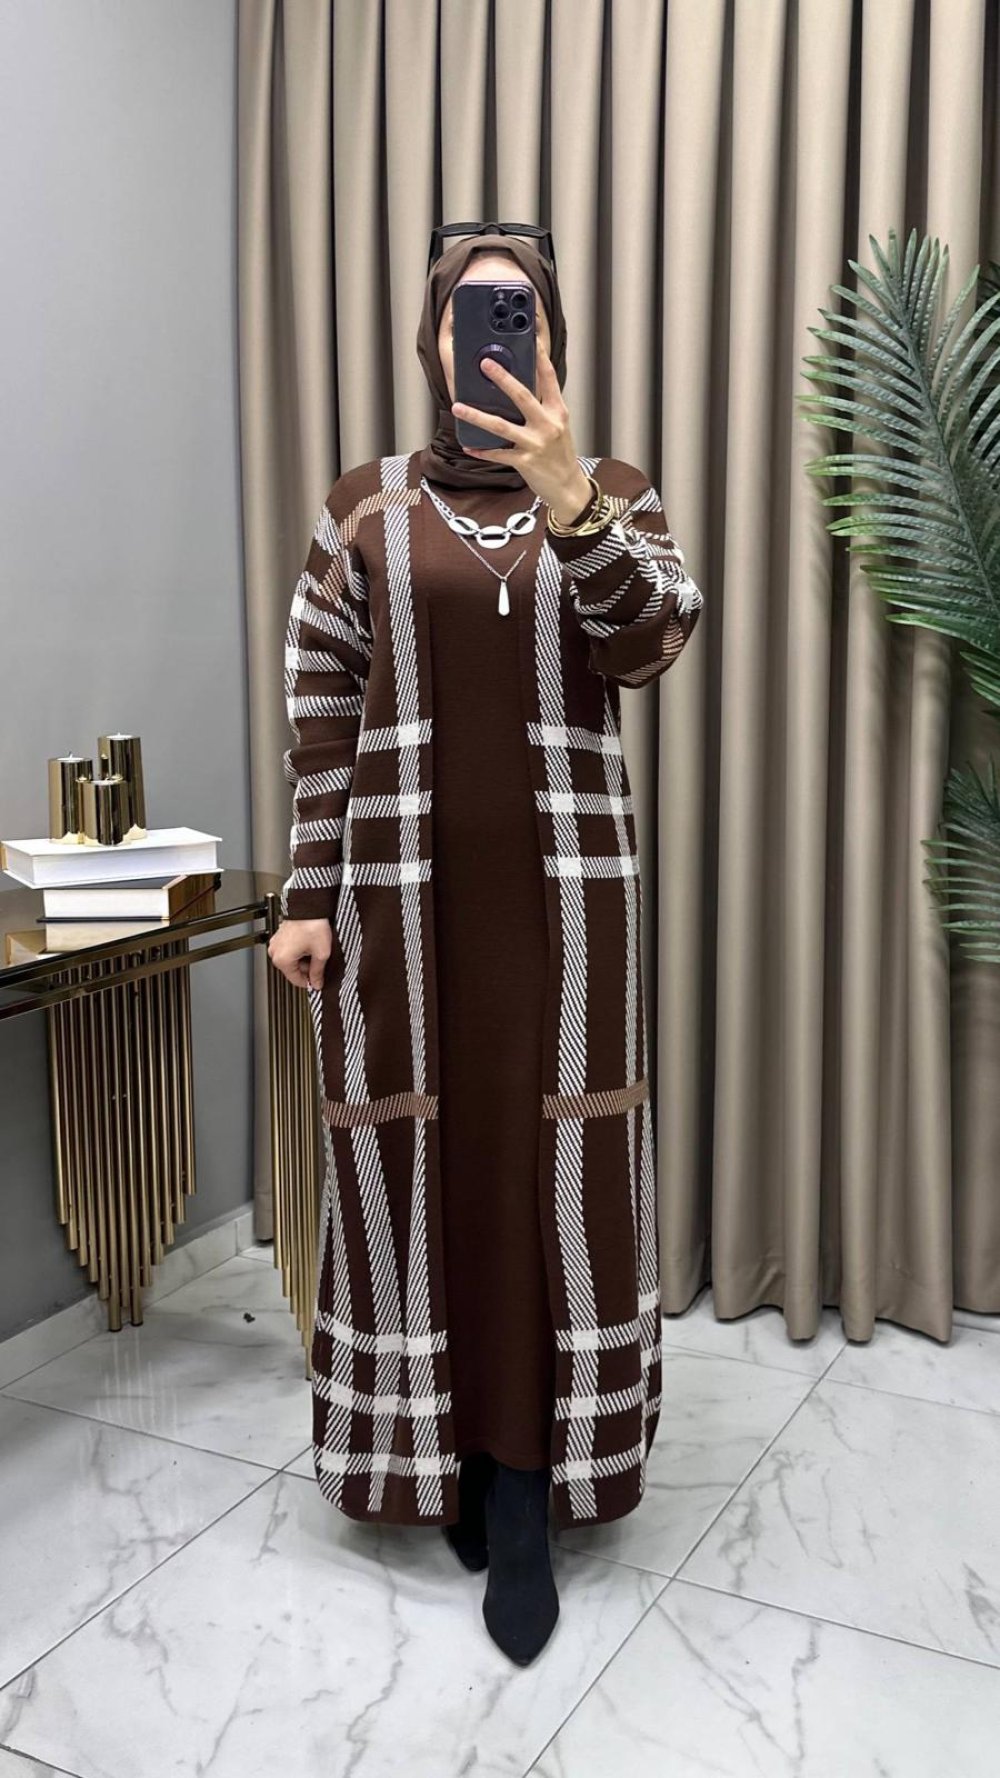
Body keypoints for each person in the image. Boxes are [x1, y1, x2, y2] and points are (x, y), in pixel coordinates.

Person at [267, 229, 704, 1666]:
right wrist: (307, 892)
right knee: (423, 1160)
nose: (492, 335)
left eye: (517, 314)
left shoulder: (613, 490)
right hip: (401, 900)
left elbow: (651, 642)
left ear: (551, 340)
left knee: (547, 1169)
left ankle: (530, 1478)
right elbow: (322, 706)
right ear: (433, 342)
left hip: (568, 906)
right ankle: (445, 1452)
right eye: (470, 315)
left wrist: (572, 497)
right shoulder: (365, 508)